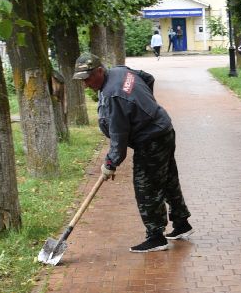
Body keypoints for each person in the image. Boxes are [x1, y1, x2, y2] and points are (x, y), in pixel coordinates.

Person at [71, 52, 192, 253]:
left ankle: (156, 237)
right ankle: (181, 223)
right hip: (164, 130)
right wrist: (146, 106)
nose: (85, 84)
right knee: (167, 180)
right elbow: (148, 78)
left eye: (88, 79)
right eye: (82, 80)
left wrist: (110, 163)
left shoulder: (113, 95)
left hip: (151, 140)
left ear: (99, 71)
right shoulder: (119, 71)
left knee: (146, 188)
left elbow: (118, 135)